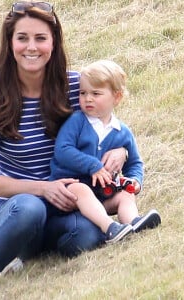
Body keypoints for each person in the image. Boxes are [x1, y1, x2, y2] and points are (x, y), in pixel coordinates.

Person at [0, 2, 130, 300]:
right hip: (18, 208)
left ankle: (29, 254)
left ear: (54, 42)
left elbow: (109, 125)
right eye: (22, 38)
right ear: (10, 43)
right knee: (30, 209)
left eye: (40, 38)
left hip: (67, 205)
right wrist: (43, 189)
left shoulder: (76, 87)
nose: (31, 47)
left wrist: (121, 151)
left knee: (85, 237)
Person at [49, 59, 161, 244]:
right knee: (82, 189)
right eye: (83, 93)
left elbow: (135, 163)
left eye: (96, 93)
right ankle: (110, 228)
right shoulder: (77, 121)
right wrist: (92, 165)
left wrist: (134, 181)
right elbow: (62, 150)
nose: (87, 99)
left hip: (102, 196)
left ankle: (133, 222)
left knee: (125, 195)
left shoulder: (122, 131)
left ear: (116, 97)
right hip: (71, 191)